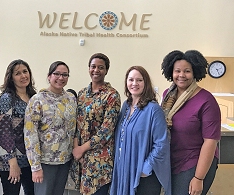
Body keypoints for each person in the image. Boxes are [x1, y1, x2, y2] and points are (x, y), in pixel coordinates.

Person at [161, 50, 221, 195]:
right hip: (172, 160)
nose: (181, 75)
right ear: (171, 72)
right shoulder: (167, 95)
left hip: (195, 162)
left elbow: (210, 142)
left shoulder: (206, 100)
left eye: (187, 71)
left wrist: (198, 178)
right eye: (177, 71)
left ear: (195, 72)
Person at [110, 66, 171, 195]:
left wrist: (145, 168)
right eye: (131, 79)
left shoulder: (153, 109)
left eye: (139, 80)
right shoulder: (126, 106)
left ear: (146, 83)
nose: (134, 83)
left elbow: (161, 144)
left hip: (143, 175)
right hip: (124, 170)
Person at [24, 61, 77, 195]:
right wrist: (35, 167)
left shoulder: (71, 99)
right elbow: (30, 134)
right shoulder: (38, 100)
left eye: (65, 75)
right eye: (57, 74)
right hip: (45, 162)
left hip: (65, 160)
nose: (61, 78)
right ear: (49, 76)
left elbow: (75, 129)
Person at [71, 53, 121, 195]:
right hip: (80, 159)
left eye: (101, 67)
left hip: (99, 161)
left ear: (106, 71)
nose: (96, 70)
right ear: (88, 68)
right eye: (93, 67)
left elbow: (107, 130)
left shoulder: (112, 95)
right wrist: (77, 149)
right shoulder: (81, 94)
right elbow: (75, 124)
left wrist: (82, 149)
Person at [0, 59, 36, 195]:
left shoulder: (34, 97)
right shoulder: (7, 98)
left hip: (29, 160)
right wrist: (13, 164)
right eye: (18, 73)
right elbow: (4, 133)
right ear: (11, 78)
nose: (23, 76)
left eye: (25, 71)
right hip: (10, 161)